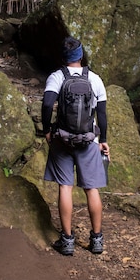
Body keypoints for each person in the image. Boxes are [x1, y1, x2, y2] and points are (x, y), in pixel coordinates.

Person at [42, 36, 110, 256]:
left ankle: (68, 241)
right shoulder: (95, 79)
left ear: (63, 58)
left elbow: (47, 104)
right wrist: (103, 140)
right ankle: (97, 240)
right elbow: (102, 115)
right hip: (88, 140)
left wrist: (47, 130)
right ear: (81, 55)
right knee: (92, 189)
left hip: (62, 139)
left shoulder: (56, 77)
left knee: (65, 187)